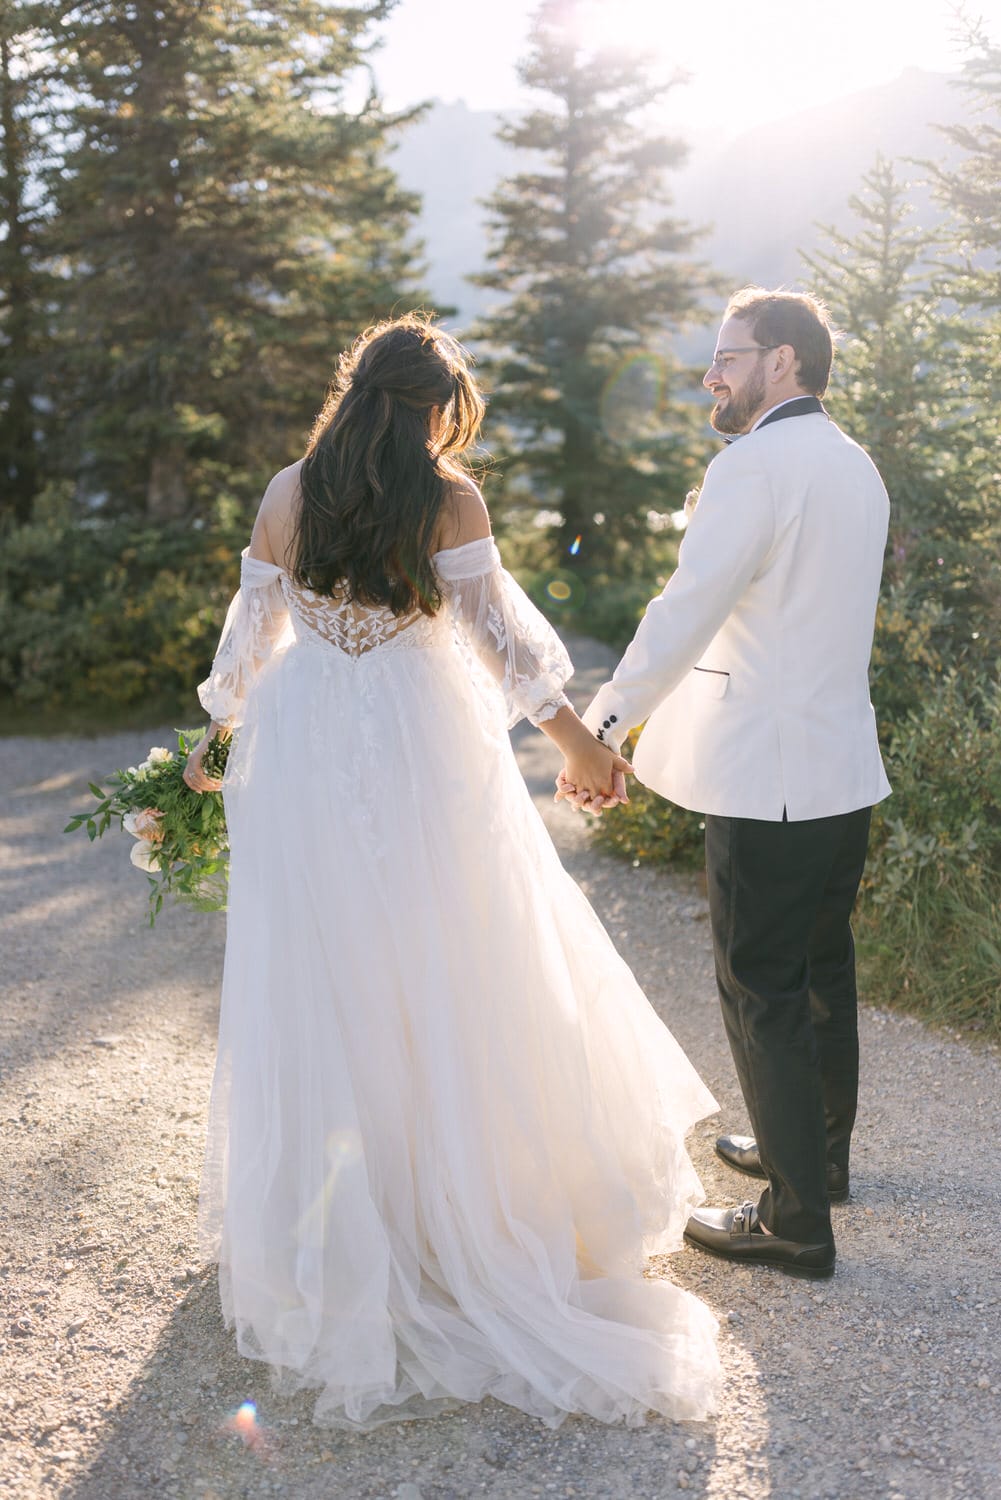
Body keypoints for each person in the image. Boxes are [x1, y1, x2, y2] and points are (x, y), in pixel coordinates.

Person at [183, 314, 720, 1429]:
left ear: (354, 391)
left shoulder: (291, 489)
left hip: (304, 747)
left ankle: (335, 1229)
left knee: (325, 972)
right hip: (415, 742)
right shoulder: (445, 497)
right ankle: (449, 1221)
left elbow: (253, 633)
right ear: (434, 407)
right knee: (450, 956)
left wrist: (217, 732)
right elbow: (502, 644)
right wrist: (576, 741)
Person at [561, 288, 890, 1280]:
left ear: (780, 362)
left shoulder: (752, 466)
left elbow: (682, 612)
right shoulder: (852, 465)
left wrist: (602, 729)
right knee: (820, 972)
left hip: (768, 778)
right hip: (840, 767)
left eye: (726, 356)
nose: (710, 374)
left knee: (760, 990)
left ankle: (792, 1221)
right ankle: (816, 1163)